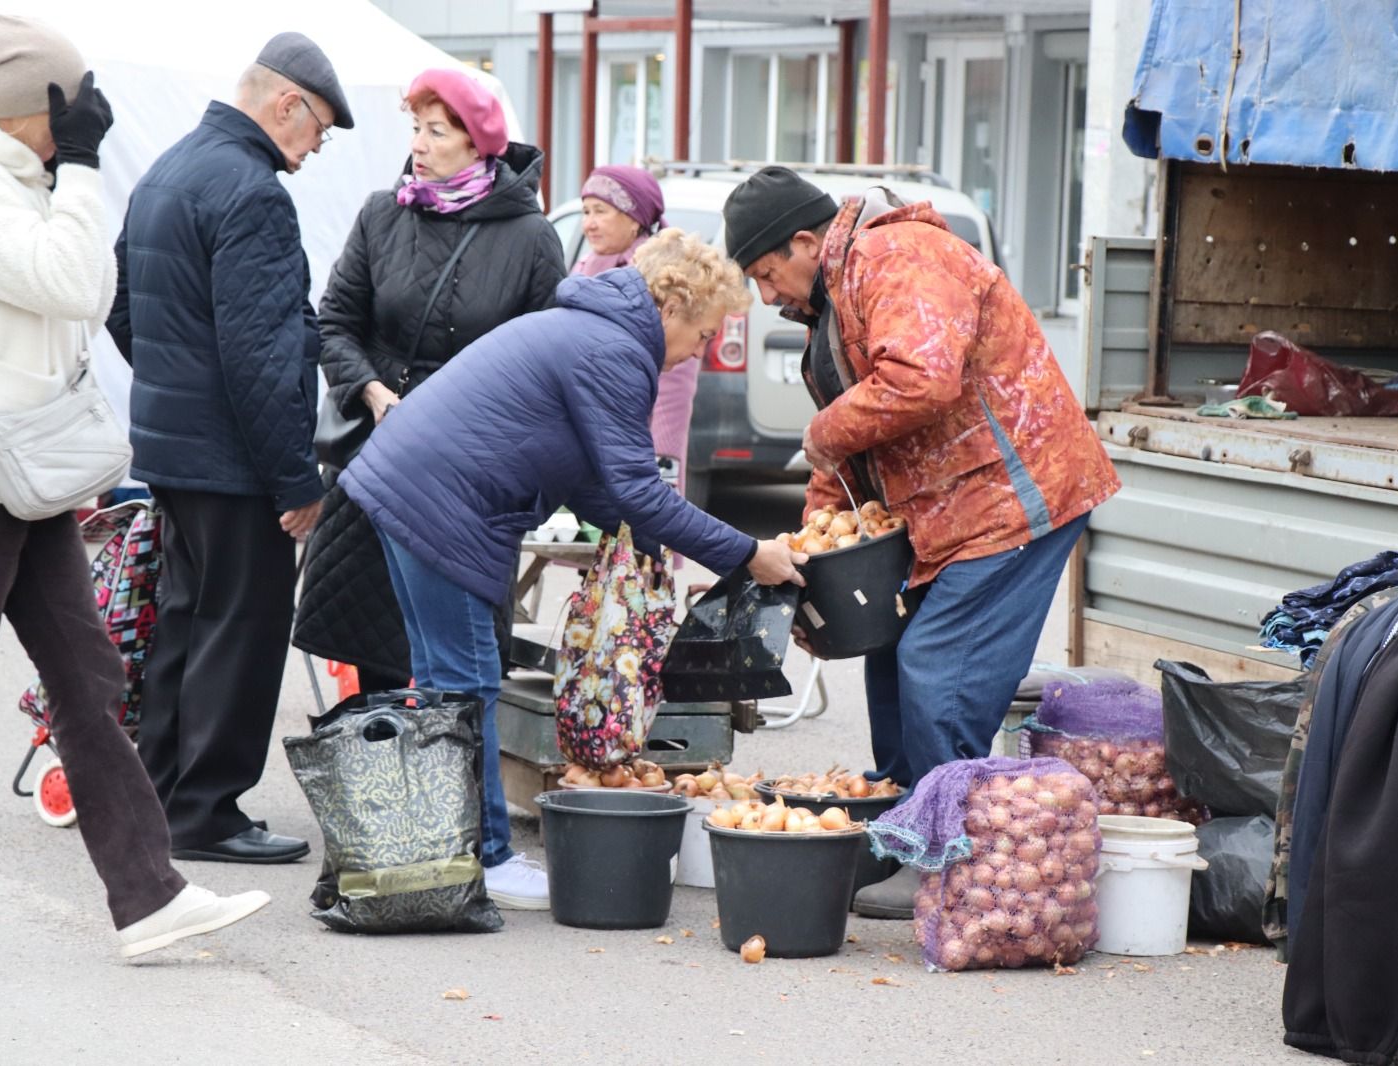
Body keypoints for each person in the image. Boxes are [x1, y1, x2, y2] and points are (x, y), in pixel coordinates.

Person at [340, 229, 805, 910]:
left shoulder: (592, 330)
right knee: (466, 688)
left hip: (406, 486)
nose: (697, 352)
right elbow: (635, 488)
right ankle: (487, 858)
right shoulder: (617, 350)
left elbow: (601, 486)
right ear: (672, 306)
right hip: (444, 506)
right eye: (703, 334)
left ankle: (439, 849)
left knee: (443, 687)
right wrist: (746, 553)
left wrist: (647, 541)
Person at [0, 10, 269, 958]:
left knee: (88, 681)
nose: (82, 115)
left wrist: (67, 169)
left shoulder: (8, 174)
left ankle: (149, 896)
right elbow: (76, 282)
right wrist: (84, 168)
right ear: (23, 108)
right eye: (69, 102)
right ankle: (148, 892)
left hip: (22, 470)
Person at [722, 166, 1121, 918]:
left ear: (807, 242)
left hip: (1013, 497)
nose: (766, 296)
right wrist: (816, 554)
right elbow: (844, 465)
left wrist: (817, 432)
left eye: (767, 273)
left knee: (939, 671)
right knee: (884, 658)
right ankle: (906, 831)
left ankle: (951, 861)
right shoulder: (831, 309)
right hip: (939, 516)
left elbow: (920, 380)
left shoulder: (895, 256)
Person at [106, 32, 353, 864]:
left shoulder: (169, 169)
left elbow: (123, 313)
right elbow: (264, 354)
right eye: (317, 128)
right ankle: (208, 811)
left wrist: (179, 390)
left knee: (185, 622)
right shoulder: (252, 191)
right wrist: (295, 477)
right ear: (287, 103)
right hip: (238, 459)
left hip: (173, 450)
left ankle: (166, 796)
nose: (315, 149)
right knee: (240, 631)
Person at [293, 68, 566, 695]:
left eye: (436, 131)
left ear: (477, 144)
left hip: (470, 476)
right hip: (378, 455)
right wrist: (369, 388)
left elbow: (550, 362)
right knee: (374, 642)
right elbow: (334, 322)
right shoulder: (381, 215)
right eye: (415, 127)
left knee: (462, 654)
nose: (417, 143)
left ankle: (462, 786)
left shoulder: (531, 239)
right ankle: (382, 777)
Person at [572, 165, 700, 499]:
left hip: (640, 428)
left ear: (634, 217)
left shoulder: (660, 275)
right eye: (586, 212)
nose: (589, 223)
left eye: (601, 211)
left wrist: (660, 455)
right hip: (588, 424)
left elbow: (675, 382)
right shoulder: (584, 266)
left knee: (648, 518)